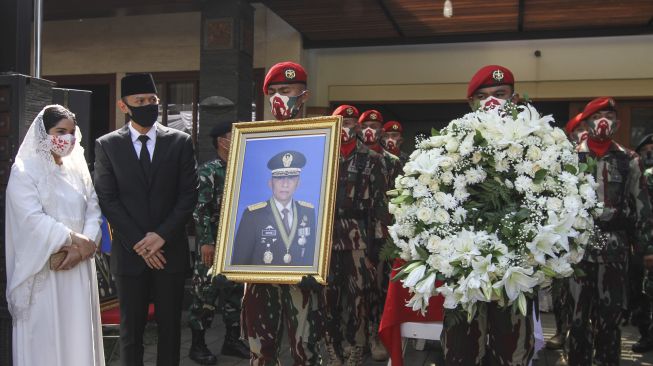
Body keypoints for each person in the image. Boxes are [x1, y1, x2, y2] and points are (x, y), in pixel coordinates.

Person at [94, 73, 199, 366]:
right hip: (130, 254)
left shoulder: (179, 141)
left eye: (152, 100)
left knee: (170, 331)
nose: (147, 106)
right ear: (123, 105)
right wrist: (141, 243)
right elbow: (108, 198)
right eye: (139, 101)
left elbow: (188, 194)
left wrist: (161, 236)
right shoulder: (107, 145)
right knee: (131, 333)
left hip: (170, 252)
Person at [441, 65, 536, 365]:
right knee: (462, 350)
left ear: (515, 98)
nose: (491, 103)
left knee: (513, 351)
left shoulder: (536, 145)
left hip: (515, 269)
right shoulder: (451, 147)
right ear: (471, 104)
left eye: (500, 94)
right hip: (466, 271)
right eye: (482, 97)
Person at [5, 105, 104, 366]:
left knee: (77, 336)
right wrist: (74, 239)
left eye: (72, 132)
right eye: (60, 131)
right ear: (43, 132)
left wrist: (85, 245)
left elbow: (93, 207)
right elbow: (31, 219)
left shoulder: (77, 169)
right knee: (46, 339)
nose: (68, 138)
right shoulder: (25, 171)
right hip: (46, 269)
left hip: (79, 267)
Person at [240, 61, 324, 365]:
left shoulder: (322, 139)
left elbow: (328, 205)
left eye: (286, 91)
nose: (278, 98)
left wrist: (320, 263)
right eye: (272, 92)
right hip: (258, 271)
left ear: (303, 96)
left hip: (304, 269)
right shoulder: (253, 141)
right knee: (261, 350)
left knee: (306, 348)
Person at [568, 97, 653, 365]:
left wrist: (647, 248)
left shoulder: (630, 160)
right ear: (586, 121)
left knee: (610, 321)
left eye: (609, 116)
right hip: (577, 252)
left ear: (617, 123)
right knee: (577, 320)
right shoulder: (569, 157)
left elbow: (643, 207)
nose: (603, 121)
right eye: (596, 115)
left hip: (615, 253)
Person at [324, 104, 388, 365]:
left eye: (351, 122)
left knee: (358, 297)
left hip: (358, 238)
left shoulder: (372, 159)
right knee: (328, 296)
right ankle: (332, 345)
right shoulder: (322, 153)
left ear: (358, 127)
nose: (347, 126)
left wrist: (377, 248)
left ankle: (356, 347)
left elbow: (381, 205)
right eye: (342, 121)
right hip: (325, 239)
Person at [187, 122, 249, 364]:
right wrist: (206, 242)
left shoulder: (242, 168)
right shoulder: (209, 171)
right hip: (213, 243)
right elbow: (201, 209)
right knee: (205, 294)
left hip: (238, 242)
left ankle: (232, 341)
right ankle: (197, 345)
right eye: (232, 136)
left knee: (235, 294)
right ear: (221, 141)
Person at [232, 150, 316, 266]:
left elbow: (311, 256)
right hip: (264, 283)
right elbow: (240, 262)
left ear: (298, 183)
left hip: (298, 283)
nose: (285, 184)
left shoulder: (308, 212)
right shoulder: (252, 215)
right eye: (279, 178)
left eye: (291, 178)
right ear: (270, 183)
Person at [628, 133, 653, 353]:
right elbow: (643, 211)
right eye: (648, 150)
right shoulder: (644, 175)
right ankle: (647, 334)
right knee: (643, 293)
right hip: (645, 242)